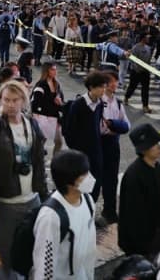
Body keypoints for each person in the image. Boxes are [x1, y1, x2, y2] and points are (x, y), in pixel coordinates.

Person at [0, 80, 48, 275]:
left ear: (23, 101)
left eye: (14, 100)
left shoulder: (31, 124)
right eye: (6, 100)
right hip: (5, 202)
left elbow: (40, 163)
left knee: (32, 250)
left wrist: (44, 194)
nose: (10, 104)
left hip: (32, 197)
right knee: (5, 254)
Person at [30, 149, 96, 280]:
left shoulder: (88, 201)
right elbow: (45, 265)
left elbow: (90, 244)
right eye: (84, 174)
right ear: (69, 182)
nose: (90, 177)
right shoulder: (51, 217)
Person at [60, 71, 108, 226]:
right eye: (101, 87)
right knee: (80, 184)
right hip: (81, 153)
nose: (103, 90)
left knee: (96, 183)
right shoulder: (79, 104)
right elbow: (68, 130)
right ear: (91, 87)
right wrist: (75, 149)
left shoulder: (100, 104)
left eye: (104, 87)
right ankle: (76, 216)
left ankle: (89, 214)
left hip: (97, 150)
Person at [118, 123, 160, 258]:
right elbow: (134, 217)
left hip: (155, 234)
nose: (159, 146)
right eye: (154, 144)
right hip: (139, 242)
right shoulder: (134, 175)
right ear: (143, 150)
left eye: (159, 142)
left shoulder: (156, 166)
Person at [97, 65, 130, 225]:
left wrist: (114, 124)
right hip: (98, 143)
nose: (114, 84)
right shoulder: (97, 102)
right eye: (111, 81)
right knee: (95, 179)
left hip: (112, 143)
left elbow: (127, 125)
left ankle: (109, 210)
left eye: (116, 81)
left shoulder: (117, 103)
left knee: (111, 179)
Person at [30, 61, 64, 155]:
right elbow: (35, 102)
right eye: (52, 69)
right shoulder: (41, 84)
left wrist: (60, 104)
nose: (55, 71)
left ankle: (55, 162)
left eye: (55, 69)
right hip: (42, 117)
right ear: (46, 71)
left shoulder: (57, 84)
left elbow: (61, 100)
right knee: (41, 141)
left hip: (55, 117)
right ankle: (36, 160)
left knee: (59, 142)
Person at [124, 34, 153, 113]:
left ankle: (145, 106)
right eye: (147, 37)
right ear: (142, 39)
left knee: (145, 89)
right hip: (136, 72)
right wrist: (137, 69)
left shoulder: (148, 48)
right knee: (132, 86)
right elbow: (132, 60)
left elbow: (149, 60)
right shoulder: (135, 47)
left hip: (145, 72)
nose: (148, 39)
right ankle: (126, 97)